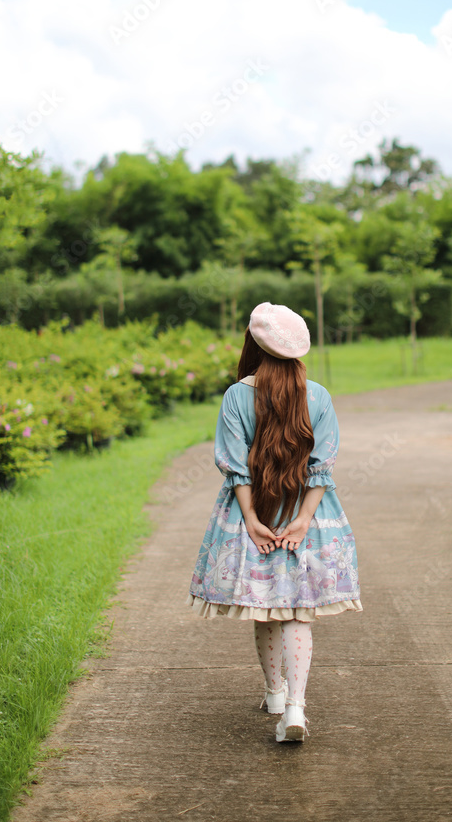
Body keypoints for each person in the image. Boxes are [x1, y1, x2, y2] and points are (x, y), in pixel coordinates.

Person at [186, 302, 362, 742]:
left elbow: (234, 467)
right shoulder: (317, 395)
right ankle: (297, 708)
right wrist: (302, 519)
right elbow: (323, 467)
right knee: (299, 611)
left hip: (256, 514)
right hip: (310, 517)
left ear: (254, 343)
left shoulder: (235, 396)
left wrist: (250, 520)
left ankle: (275, 693)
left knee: (266, 608)